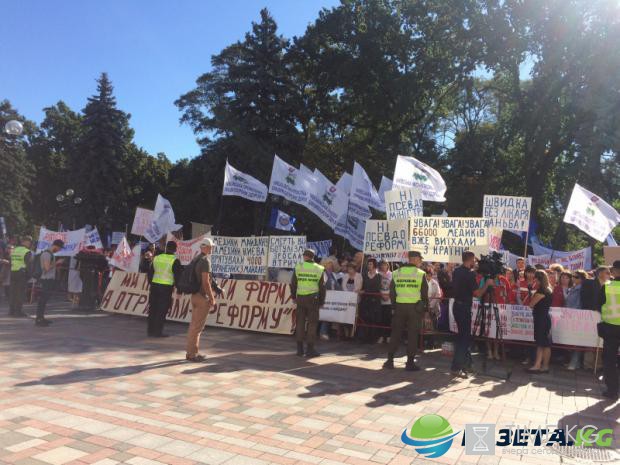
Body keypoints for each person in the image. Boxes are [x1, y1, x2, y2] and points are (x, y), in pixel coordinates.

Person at [450, 251, 494, 378]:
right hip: (463, 307)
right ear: (470, 260)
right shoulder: (469, 274)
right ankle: (456, 367)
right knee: (464, 339)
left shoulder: (457, 271)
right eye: (474, 260)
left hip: (457, 306)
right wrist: (487, 284)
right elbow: (478, 294)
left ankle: (467, 365)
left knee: (463, 337)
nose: (475, 262)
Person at [382, 251, 429, 371]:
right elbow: (424, 294)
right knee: (412, 334)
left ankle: (390, 360)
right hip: (415, 309)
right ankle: (410, 363)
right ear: (415, 259)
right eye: (420, 259)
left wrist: (394, 306)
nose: (421, 261)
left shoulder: (396, 273)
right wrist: (425, 309)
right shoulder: (420, 273)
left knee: (396, 333)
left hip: (399, 307)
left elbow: (392, 292)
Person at [290, 249, 326, 358]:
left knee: (300, 322)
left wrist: (293, 297)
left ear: (305, 256)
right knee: (312, 323)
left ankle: (299, 349)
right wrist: (322, 301)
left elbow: (293, 284)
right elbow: (322, 287)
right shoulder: (319, 269)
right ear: (313, 257)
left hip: (300, 298)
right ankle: (310, 349)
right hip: (313, 299)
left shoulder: (298, 267)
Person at [186, 239, 216, 362]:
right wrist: (212, 298)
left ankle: (190, 353)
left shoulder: (196, 259)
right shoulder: (205, 261)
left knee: (193, 326)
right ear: (207, 247)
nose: (212, 249)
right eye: (211, 247)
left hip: (194, 295)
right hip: (202, 297)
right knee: (197, 328)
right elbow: (206, 282)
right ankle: (193, 354)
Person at [146, 241, 181, 338]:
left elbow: (150, 273)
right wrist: (179, 289)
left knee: (152, 308)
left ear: (166, 248)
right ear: (175, 249)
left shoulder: (157, 258)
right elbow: (177, 276)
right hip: (166, 288)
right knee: (161, 310)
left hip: (154, 286)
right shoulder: (175, 260)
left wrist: (151, 283)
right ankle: (158, 332)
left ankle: (150, 331)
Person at [598, 260, 620, 400]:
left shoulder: (607, 286)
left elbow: (598, 303)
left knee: (610, 360)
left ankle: (612, 390)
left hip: (611, 328)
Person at [526, 270, 553, 374]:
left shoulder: (541, 291)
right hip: (544, 318)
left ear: (537, 279)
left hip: (541, 319)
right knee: (544, 344)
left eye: (535, 278)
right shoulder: (548, 289)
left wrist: (531, 292)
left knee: (542, 344)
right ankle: (541, 365)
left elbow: (531, 304)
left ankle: (540, 365)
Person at [36, 239, 65, 327]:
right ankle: (39, 319)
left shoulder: (50, 254)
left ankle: (41, 317)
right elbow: (47, 268)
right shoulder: (47, 254)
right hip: (46, 279)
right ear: (56, 246)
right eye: (60, 248)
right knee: (43, 300)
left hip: (48, 279)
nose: (59, 250)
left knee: (44, 300)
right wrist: (57, 263)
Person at [75, 245, 108, 311]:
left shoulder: (82, 254)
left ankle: (83, 305)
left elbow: (77, 263)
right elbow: (104, 264)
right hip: (94, 273)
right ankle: (91, 305)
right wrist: (101, 269)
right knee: (93, 289)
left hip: (84, 272)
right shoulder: (98, 255)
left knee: (85, 289)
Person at [566, 270, 586, 370]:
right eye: (573, 276)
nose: (574, 278)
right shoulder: (572, 288)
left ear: (582, 279)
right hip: (570, 316)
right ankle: (574, 362)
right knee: (572, 339)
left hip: (577, 316)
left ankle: (574, 362)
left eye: (576, 277)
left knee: (577, 340)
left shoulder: (582, 289)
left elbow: (579, 304)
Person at [359, 257, 382, 343]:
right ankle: (365, 338)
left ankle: (373, 338)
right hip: (365, 300)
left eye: (370, 264)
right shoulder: (364, 275)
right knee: (365, 319)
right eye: (368, 264)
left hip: (374, 301)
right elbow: (362, 286)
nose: (369, 265)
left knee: (374, 320)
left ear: (374, 265)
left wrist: (365, 291)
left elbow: (377, 288)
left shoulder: (379, 276)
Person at [9, 236, 32, 318]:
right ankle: (18, 312)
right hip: (21, 273)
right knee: (20, 293)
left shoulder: (15, 249)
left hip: (13, 272)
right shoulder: (27, 251)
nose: (30, 244)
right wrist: (29, 275)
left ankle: (11, 311)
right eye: (30, 242)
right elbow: (28, 265)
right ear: (26, 242)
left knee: (13, 292)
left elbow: (10, 260)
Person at [319, 257, 341, 340]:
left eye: (331, 265)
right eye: (328, 265)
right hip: (325, 297)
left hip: (332, 298)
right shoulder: (323, 274)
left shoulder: (334, 275)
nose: (330, 267)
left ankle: (325, 332)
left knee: (328, 315)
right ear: (324, 265)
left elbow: (337, 286)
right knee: (325, 315)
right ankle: (322, 332)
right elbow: (321, 286)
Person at [378, 260, 393, 344]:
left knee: (388, 319)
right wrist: (381, 295)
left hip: (389, 300)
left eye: (385, 265)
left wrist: (388, 296)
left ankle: (388, 336)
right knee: (381, 319)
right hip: (380, 299)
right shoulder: (378, 274)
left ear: (388, 265)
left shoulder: (392, 274)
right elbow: (377, 286)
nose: (383, 266)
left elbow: (393, 287)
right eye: (382, 265)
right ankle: (381, 336)